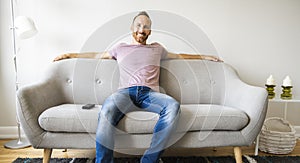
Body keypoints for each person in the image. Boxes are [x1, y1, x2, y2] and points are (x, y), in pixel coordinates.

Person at [54, 11, 222, 163]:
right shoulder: (120, 48)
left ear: (150, 31)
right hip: (125, 94)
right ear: (132, 28)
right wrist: (70, 54)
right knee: (107, 111)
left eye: (146, 27)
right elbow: (96, 55)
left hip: (150, 95)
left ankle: (149, 160)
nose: (142, 30)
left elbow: (179, 56)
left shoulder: (157, 48)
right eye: (139, 25)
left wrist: (204, 56)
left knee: (173, 106)